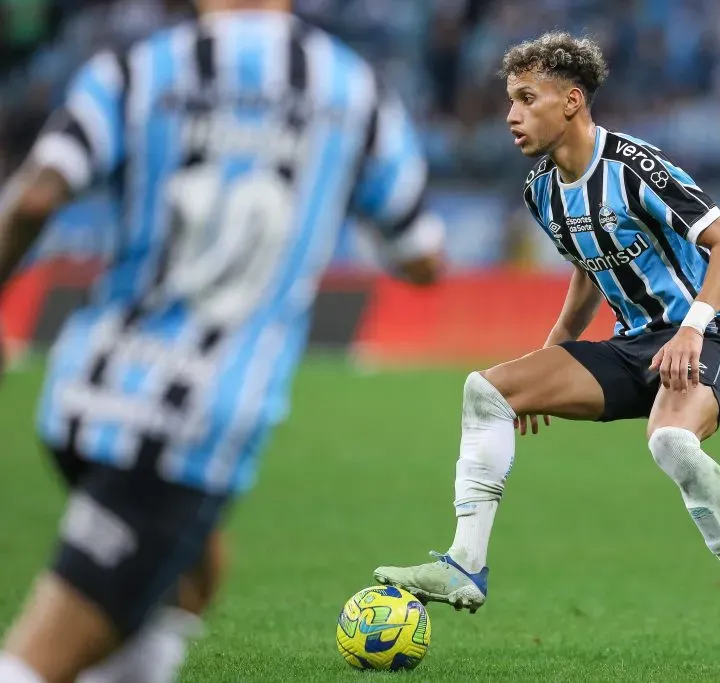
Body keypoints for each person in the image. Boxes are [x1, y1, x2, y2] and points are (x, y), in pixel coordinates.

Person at [0, 0, 443, 680]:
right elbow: (420, 256)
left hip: (84, 391)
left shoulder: (133, 71)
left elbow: (34, 197)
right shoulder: (354, 90)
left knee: (195, 575)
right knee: (39, 656)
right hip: (194, 417)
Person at [373, 31, 720, 677]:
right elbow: (588, 272)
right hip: (633, 346)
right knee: (490, 390)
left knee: (671, 444)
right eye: (510, 99)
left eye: (526, 99)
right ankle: (465, 563)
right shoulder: (542, 189)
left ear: (571, 101)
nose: (511, 114)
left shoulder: (635, 165)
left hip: (708, 339)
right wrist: (550, 360)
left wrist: (691, 329)